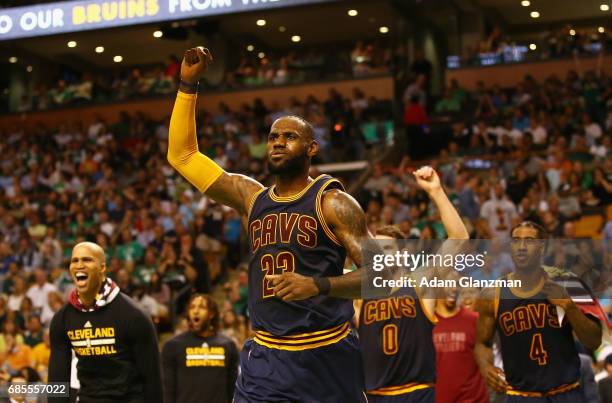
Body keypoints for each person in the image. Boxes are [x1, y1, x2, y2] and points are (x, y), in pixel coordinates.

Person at [169, 46, 388, 402]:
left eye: (289, 137)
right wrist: (187, 86)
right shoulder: (250, 196)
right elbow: (183, 156)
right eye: (273, 137)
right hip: (266, 357)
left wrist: (317, 285)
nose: (278, 143)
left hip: (326, 352)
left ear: (311, 148)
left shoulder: (333, 202)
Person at [357, 168, 469, 403]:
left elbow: (459, 239)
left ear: (402, 255)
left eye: (387, 249)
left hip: (416, 394)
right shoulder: (360, 295)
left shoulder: (420, 283)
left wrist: (436, 191)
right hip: (375, 396)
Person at [474, 222, 602, 402]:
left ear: (541, 248)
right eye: (516, 241)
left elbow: (594, 340)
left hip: (566, 392)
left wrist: (569, 306)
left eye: (529, 241)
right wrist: (485, 367)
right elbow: (481, 343)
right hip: (521, 396)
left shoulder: (570, 284)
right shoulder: (492, 294)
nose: (522, 247)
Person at [48, 242, 162, 403]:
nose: (79, 265)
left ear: (102, 268)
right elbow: (57, 381)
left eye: (87, 260)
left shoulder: (134, 315)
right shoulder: (62, 319)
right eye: (75, 260)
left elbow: (152, 379)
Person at [162, 293, 238, 403]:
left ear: (211, 313)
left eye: (201, 307)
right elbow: (168, 391)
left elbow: (232, 389)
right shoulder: (173, 346)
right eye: (192, 307)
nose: (195, 311)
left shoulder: (228, 345)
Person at [433, 280, 488, 403]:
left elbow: (489, 362)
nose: (467, 296)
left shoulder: (477, 321)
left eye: (471, 292)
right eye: (464, 292)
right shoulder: (425, 322)